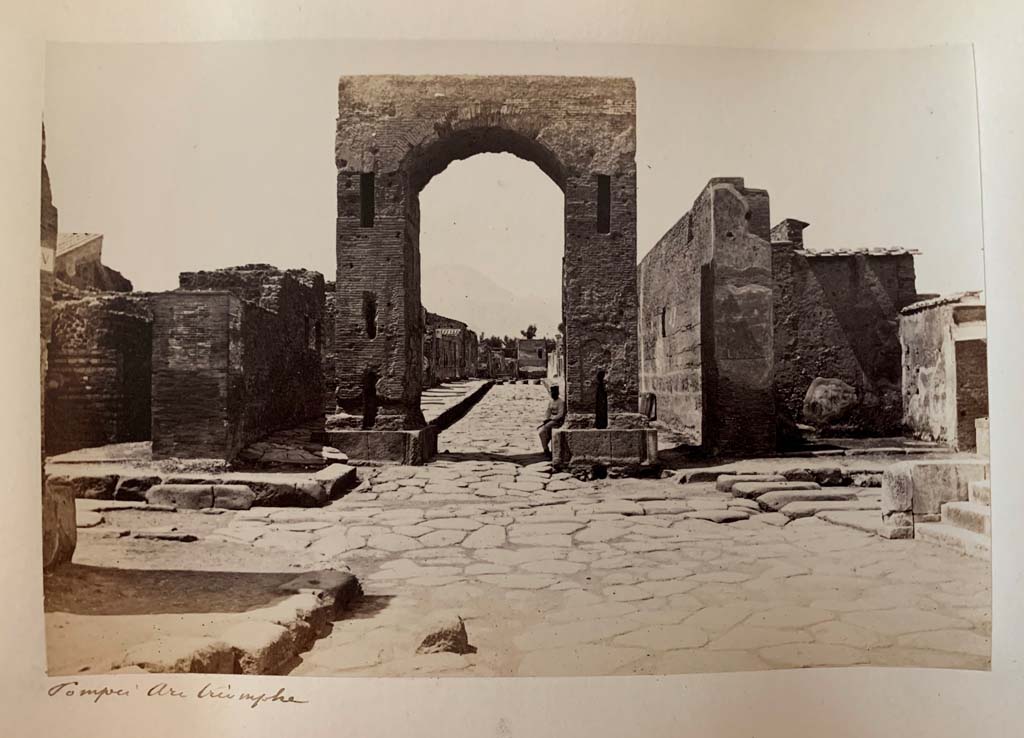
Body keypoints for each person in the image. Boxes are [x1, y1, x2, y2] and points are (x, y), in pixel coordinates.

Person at [538, 384, 566, 458]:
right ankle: (545, 449)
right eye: (552, 393)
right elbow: (548, 411)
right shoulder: (551, 401)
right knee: (541, 432)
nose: (553, 395)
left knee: (546, 429)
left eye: (554, 393)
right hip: (550, 420)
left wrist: (551, 419)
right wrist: (546, 418)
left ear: (557, 393)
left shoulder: (561, 402)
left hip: (557, 421)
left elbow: (560, 414)